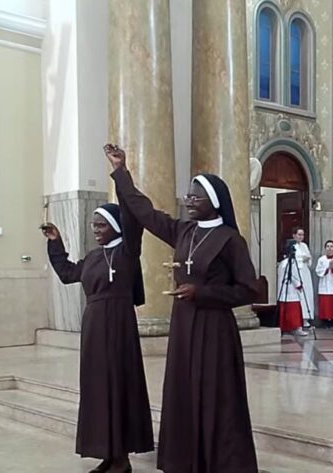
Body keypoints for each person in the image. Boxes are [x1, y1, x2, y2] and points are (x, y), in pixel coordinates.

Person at [106, 144, 259, 473]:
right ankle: (186, 459)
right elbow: (145, 213)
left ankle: (219, 462)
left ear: (214, 202)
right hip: (185, 324)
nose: (188, 201)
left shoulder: (231, 240)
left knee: (214, 393)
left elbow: (248, 289)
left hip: (215, 328)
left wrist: (203, 292)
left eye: (195, 197)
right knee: (184, 391)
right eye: (188, 196)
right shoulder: (184, 231)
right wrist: (121, 172)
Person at [42, 198, 153, 473]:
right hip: (94, 328)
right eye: (94, 225)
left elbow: (134, 224)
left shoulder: (128, 252)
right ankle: (108, 453)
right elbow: (68, 274)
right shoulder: (93, 257)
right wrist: (56, 243)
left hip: (119, 326)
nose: (96, 229)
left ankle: (122, 458)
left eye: (102, 225)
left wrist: (121, 176)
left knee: (119, 386)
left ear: (116, 226)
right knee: (98, 389)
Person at [277, 245, 308, 337]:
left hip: (284, 292)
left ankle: (285, 327)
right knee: (293, 310)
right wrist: (299, 285)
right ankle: (296, 327)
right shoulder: (291, 263)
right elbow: (294, 276)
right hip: (291, 290)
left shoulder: (282, 263)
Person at [291, 227, 316, 328]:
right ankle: (299, 319)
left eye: (302, 235)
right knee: (300, 295)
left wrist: (308, 259)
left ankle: (306, 318)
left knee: (308, 294)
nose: (301, 237)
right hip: (298, 273)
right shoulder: (292, 246)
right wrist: (302, 259)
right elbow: (293, 259)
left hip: (305, 272)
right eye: (299, 234)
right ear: (294, 235)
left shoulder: (304, 246)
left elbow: (309, 258)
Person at [315, 240, 333, 328]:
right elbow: (318, 271)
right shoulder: (321, 259)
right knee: (325, 304)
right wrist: (327, 269)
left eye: (331, 246)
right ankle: (325, 321)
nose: (329, 248)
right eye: (328, 246)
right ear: (325, 248)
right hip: (324, 284)